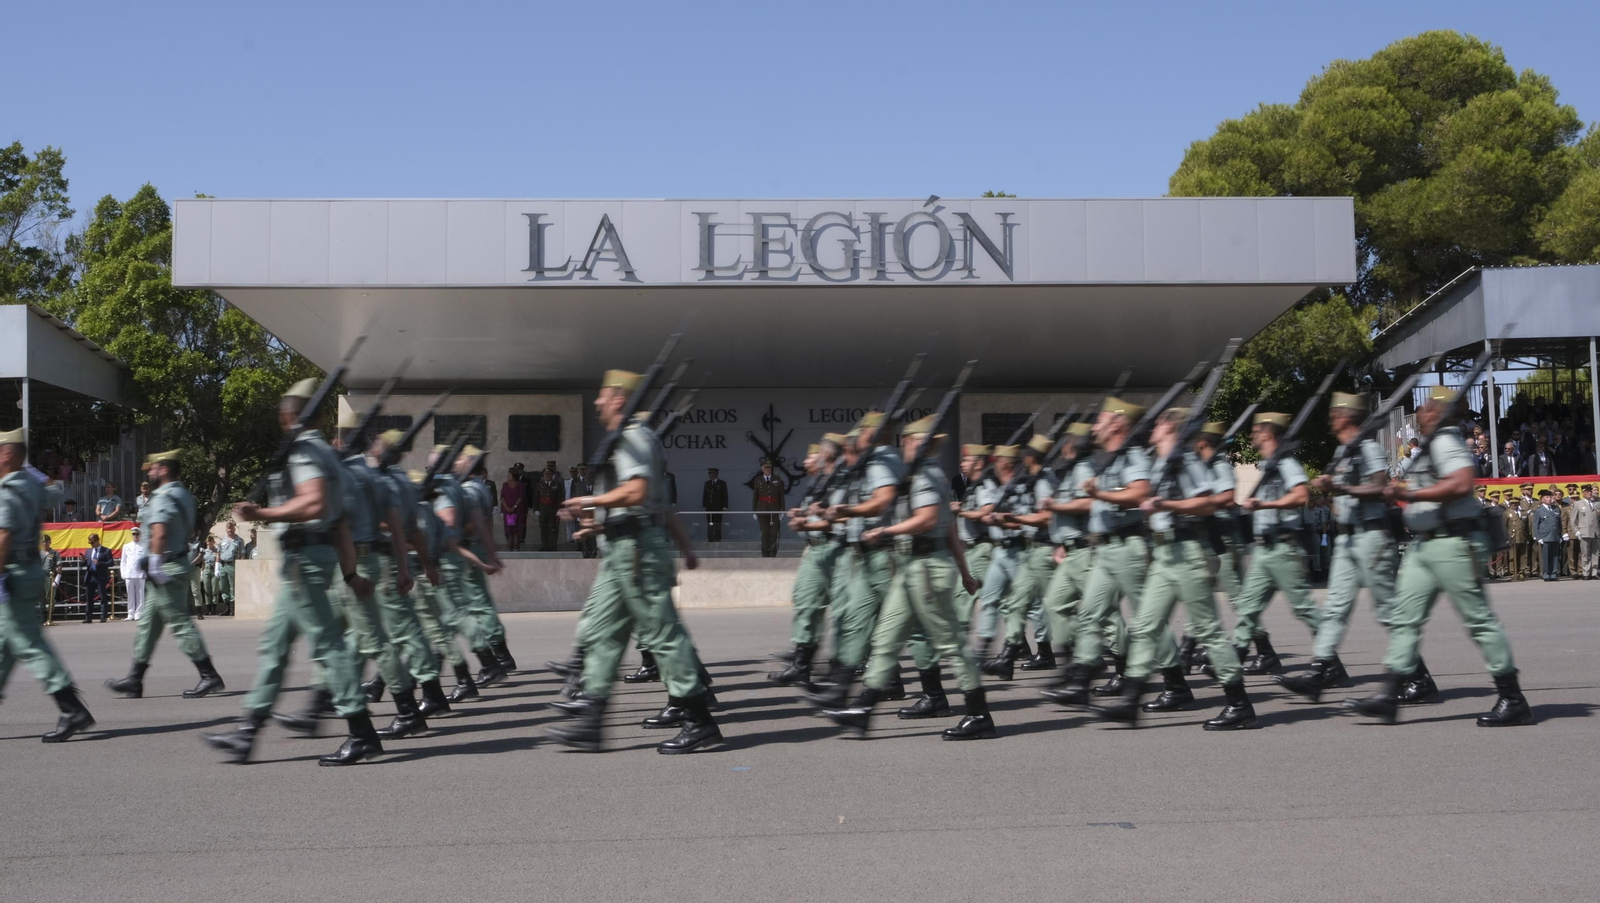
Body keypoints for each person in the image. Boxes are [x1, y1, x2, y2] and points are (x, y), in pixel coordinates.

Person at [203, 377, 385, 766]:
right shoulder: (326, 454)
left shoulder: (305, 451)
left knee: (328, 646)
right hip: (307, 561)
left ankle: (362, 733)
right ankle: (247, 733)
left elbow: (315, 504)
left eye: (282, 412)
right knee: (274, 646)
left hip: (305, 562)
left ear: (289, 415)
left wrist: (261, 513)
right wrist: (350, 574)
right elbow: (341, 522)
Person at [547, 367, 722, 754]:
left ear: (619, 400)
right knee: (602, 633)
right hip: (623, 548)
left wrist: (589, 501)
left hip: (637, 551)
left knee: (661, 634)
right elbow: (657, 503)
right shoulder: (626, 439)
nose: (596, 401)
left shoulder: (633, 436)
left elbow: (639, 492)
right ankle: (592, 720)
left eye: (602, 395)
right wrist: (597, 521)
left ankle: (699, 721)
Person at [1346, 385, 1532, 727]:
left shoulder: (1446, 441)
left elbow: (1461, 483)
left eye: (1426, 407)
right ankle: (1389, 694)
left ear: (1440, 412)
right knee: (1405, 617)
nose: (1419, 413)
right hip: (1425, 545)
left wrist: (1411, 494)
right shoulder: (1428, 447)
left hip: (1453, 543)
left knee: (1478, 620)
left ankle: (1512, 697)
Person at [819, 415, 993, 740]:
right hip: (913, 566)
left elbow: (927, 520)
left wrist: (887, 529)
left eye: (908, 441)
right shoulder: (915, 474)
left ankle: (979, 713)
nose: (904, 446)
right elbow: (952, 528)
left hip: (927, 568)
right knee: (886, 639)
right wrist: (966, 572)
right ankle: (862, 709)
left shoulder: (926, 473)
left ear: (917, 442)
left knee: (951, 644)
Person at [1094, 407, 1256, 729]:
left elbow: (1208, 502)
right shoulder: (1159, 463)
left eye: (1159, 423)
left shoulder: (1186, 459)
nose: (1153, 428)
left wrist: (1166, 504)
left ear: (1170, 427)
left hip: (1187, 552)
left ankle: (1239, 703)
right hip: (1164, 553)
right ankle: (1131, 701)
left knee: (1208, 629)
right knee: (1144, 626)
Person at [1281, 393, 1398, 701]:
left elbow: (1382, 487)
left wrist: (1341, 487)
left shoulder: (1368, 448)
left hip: (1371, 536)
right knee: (1334, 609)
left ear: (1348, 416)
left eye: (1335, 414)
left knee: (1387, 611)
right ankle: (1318, 673)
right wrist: (1332, 496)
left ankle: (1417, 676)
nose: (1331, 419)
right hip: (1346, 537)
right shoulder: (1342, 451)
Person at [1050, 397, 1161, 705]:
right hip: (1106, 549)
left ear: (1117, 424)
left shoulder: (1133, 455)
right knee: (1088, 614)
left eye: (1099, 420)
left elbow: (1140, 492)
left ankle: (1176, 682)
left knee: (1148, 618)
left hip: (1129, 545)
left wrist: (1099, 493)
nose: (1094, 427)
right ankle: (1082, 681)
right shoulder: (1107, 459)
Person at [0, 427, 96, 742]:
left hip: (11, 572)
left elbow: (3, 536)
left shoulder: (8, 490)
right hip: (27, 570)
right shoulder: (27, 483)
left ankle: (71, 708)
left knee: (28, 644)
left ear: (8, 454)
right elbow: (53, 491)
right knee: (5, 643)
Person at [104, 450, 225, 700]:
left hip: (166, 566)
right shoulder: (183, 494)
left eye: (154, 468)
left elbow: (159, 531)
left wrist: (155, 565)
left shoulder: (163, 496)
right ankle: (135, 679)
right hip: (176, 560)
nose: (150, 472)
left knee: (180, 623)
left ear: (165, 469)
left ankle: (209, 675)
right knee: (148, 625)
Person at [1227, 412, 1317, 674]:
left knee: (1303, 608)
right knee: (1247, 605)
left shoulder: (1285, 463)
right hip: (1264, 548)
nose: (1252, 434)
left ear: (1268, 433)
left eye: (1256, 430)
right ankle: (1235, 657)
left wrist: (1266, 504)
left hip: (1283, 546)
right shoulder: (1268, 464)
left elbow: (1301, 496)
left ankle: (1329, 657)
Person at [768, 440, 847, 689]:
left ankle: (884, 676)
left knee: (849, 614)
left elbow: (839, 518)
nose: (806, 461)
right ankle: (802, 668)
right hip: (816, 549)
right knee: (807, 603)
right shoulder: (819, 483)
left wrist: (807, 523)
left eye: (816, 455)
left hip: (836, 549)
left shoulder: (841, 482)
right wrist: (802, 515)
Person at [752, 458, 786, 557]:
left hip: (774, 509)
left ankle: (773, 553)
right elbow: (755, 496)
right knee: (764, 532)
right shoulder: (758, 480)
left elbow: (781, 496)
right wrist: (754, 511)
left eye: (769, 468)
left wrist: (782, 511)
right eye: (766, 467)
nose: (768, 469)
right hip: (762, 510)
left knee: (774, 532)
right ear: (762, 468)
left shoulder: (777, 479)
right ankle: (765, 553)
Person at [81, 533, 114, 623]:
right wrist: (83, 561)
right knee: (89, 597)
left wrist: (99, 563)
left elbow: (111, 562)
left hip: (100, 576)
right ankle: (88, 617)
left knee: (102, 597)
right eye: (90, 543)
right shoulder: (88, 551)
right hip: (90, 576)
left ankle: (103, 616)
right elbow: (84, 564)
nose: (91, 545)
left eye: (92, 542)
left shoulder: (106, 550)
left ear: (97, 541)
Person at [1531, 490, 1563, 581]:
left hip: (1555, 536)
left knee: (1555, 556)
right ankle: (1546, 573)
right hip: (1545, 537)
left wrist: (1560, 535)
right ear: (1542, 499)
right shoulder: (1539, 511)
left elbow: (1559, 524)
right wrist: (1538, 537)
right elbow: (1535, 525)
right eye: (1547, 497)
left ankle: (1553, 573)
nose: (1549, 499)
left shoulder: (1556, 509)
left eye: (1550, 497)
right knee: (1545, 557)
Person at [217, 522, 246, 616]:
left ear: (234, 529)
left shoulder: (239, 540)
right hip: (222, 565)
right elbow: (218, 553)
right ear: (226, 529)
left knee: (232, 587)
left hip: (232, 565)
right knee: (223, 587)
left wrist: (241, 567)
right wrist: (217, 567)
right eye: (228, 528)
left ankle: (233, 609)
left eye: (232, 528)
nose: (230, 530)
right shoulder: (222, 540)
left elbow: (242, 554)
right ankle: (227, 608)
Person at [535, 461, 565, 552]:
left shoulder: (556, 484)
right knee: (543, 528)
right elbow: (536, 498)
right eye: (545, 474)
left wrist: (560, 508)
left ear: (552, 475)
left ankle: (552, 545)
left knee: (553, 528)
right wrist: (536, 509)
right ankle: (544, 545)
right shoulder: (539, 485)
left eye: (549, 474)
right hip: (543, 510)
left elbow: (560, 497)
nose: (547, 476)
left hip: (553, 510)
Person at [120, 526, 147, 621]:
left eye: (137, 534)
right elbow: (123, 561)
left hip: (140, 574)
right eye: (133, 534)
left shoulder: (144, 546)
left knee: (140, 595)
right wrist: (123, 573)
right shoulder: (126, 546)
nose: (135, 536)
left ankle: (139, 613)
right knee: (130, 595)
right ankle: (130, 613)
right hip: (129, 573)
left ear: (140, 534)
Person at [500, 466, 528, 551]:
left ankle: (516, 544)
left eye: (510, 475)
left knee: (517, 528)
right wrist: (506, 507)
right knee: (509, 527)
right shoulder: (505, 485)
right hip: (508, 510)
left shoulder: (520, 485)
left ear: (513, 476)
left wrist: (514, 507)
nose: (508, 476)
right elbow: (502, 497)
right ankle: (509, 543)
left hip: (517, 510)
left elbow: (521, 497)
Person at [1576, 485, 1600, 579]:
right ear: (1583, 493)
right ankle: (1586, 572)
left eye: (1590, 491)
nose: (1589, 493)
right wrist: (1576, 531)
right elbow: (1573, 519)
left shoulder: (1596, 503)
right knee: (1585, 553)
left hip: (1596, 532)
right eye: (1587, 491)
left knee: (1595, 553)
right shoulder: (1578, 504)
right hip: (1584, 532)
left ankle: (1594, 572)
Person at [702, 467, 728, 542]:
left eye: (713, 473)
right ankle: (710, 538)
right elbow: (705, 495)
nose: (711, 475)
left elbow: (725, 495)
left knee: (718, 523)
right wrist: (704, 505)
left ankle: (718, 538)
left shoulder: (722, 483)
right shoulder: (707, 483)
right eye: (710, 473)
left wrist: (725, 505)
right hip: (709, 506)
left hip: (718, 507)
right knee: (710, 523)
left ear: (716, 474)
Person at [40, 534, 60, 626]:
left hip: (50, 577)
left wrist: (58, 577)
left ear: (50, 542)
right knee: (41, 597)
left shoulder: (55, 554)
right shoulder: (39, 554)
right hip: (40, 578)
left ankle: (50, 616)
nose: (45, 543)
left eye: (47, 541)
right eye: (43, 542)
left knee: (50, 597)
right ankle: (43, 616)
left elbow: (59, 566)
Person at [200, 535, 220, 616]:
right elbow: (203, 563)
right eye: (208, 541)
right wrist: (201, 572)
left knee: (215, 590)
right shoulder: (204, 551)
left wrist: (217, 570)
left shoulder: (216, 551)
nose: (209, 543)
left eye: (211, 541)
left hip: (214, 569)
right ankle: (208, 608)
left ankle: (214, 608)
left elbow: (217, 560)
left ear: (213, 542)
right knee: (207, 590)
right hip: (206, 570)